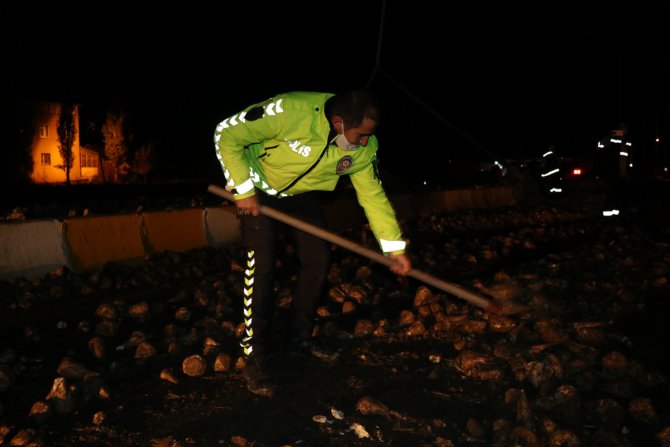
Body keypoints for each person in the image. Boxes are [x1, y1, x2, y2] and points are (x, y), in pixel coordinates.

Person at [213, 90, 412, 397]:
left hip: (301, 195)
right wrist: (243, 188)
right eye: (360, 135)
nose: (364, 142)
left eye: (368, 136)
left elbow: (372, 195)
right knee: (262, 263)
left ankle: (299, 338)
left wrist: (394, 248)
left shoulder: (364, 149)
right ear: (338, 122)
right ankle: (254, 354)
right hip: (259, 186)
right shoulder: (291, 112)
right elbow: (226, 133)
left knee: (318, 259)